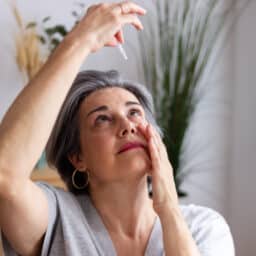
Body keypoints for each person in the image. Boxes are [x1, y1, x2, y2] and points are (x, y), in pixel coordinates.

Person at [0, 1, 234, 256]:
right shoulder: (57, 219)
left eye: (134, 112)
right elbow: (4, 175)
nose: (126, 126)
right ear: (77, 157)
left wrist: (169, 210)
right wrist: (80, 41)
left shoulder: (204, 228)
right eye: (102, 119)